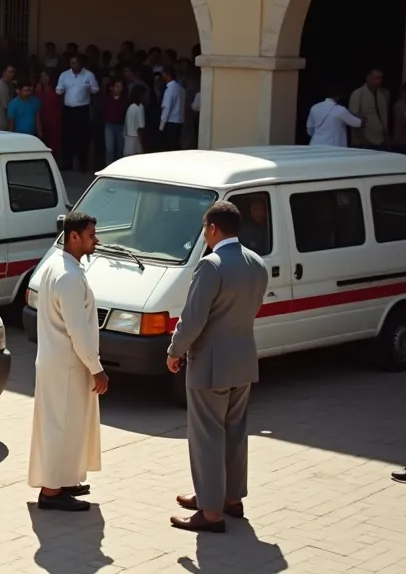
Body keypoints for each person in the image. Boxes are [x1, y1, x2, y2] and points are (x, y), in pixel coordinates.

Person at [166, 201, 269, 533]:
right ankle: (230, 498)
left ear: (212, 228)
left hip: (210, 363)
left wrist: (174, 350)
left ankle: (210, 511)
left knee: (207, 435)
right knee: (235, 432)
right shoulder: (256, 263)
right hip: (243, 358)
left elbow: (194, 318)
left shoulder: (211, 265)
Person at [28, 212, 107, 511]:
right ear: (74, 237)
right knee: (60, 426)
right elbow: (78, 329)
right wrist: (97, 368)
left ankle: (65, 480)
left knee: (68, 425)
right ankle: (51, 492)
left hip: (58, 361)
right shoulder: (68, 276)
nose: (95, 240)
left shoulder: (56, 265)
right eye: (90, 235)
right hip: (67, 364)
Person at [348, 69, 390, 149]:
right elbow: (353, 118)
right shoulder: (358, 94)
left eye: (380, 78)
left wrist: (387, 136)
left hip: (381, 140)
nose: (379, 80)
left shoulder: (383, 94)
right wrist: (363, 140)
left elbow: (384, 116)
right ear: (368, 78)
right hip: (364, 141)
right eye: (376, 78)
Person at [124, 84, 147, 157]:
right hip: (136, 140)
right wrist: (143, 145)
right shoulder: (140, 107)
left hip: (128, 138)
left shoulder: (130, 107)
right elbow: (140, 128)